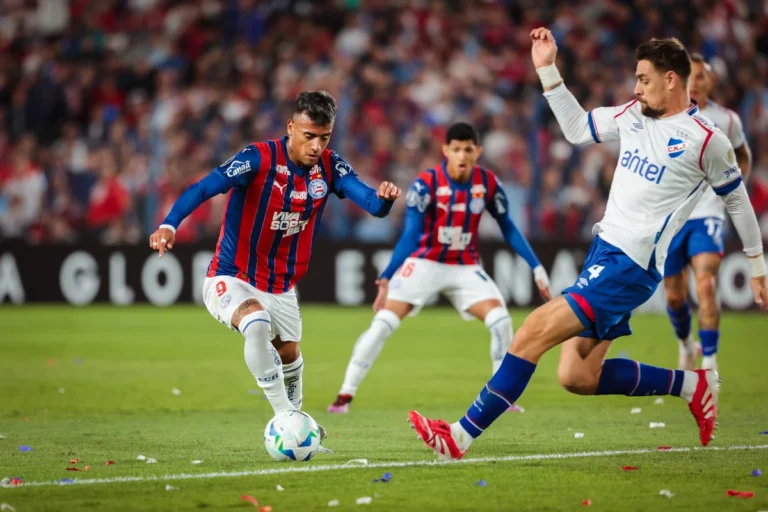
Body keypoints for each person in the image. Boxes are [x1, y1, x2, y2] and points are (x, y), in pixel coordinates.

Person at [408, 30, 767, 460]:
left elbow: (738, 200)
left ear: (672, 80)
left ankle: (458, 438)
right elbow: (578, 129)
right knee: (577, 374)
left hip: (630, 266)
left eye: (643, 78)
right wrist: (546, 69)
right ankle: (691, 384)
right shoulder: (635, 113)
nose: (635, 88)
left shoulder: (707, 140)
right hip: (605, 254)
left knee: (531, 332)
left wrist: (757, 263)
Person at [149, 91, 401, 429]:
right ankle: (286, 417)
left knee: (289, 357)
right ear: (291, 127)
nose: (316, 146)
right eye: (309, 136)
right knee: (256, 323)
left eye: (324, 138)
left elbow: (371, 204)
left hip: (281, 286)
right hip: (231, 274)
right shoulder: (257, 158)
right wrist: (169, 223)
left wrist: (384, 201)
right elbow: (205, 187)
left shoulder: (330, 166)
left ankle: (296, 421)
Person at [327, 122, 552, 414]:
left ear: (477, 151)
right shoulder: (426, 184)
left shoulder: (488, 184)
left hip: (464, 266)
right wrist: (386, 276)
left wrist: (536, 266)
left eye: (468, 149)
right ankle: (344, 396)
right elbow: (410, 235)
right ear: (446, 150)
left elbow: (507, 226)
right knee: (382, 324)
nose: (461, 155)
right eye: (456, 149)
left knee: (501, 321)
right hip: (425, 263)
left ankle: (502, 398)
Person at [664, 53, 752, 373]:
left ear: (710, 80)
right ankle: (686, 344)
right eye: (691, 75)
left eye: (701, 76)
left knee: (705, 284)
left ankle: (710, 363)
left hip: (709, 214)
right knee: (674, 296)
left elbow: (742, 154)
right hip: (673, 216)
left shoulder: (727, 119)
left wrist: (732, 188)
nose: (696, 82)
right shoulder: (666, 116)